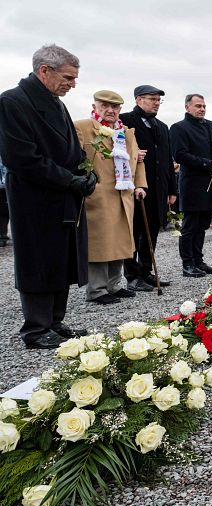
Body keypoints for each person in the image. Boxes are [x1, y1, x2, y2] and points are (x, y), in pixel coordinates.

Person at [0, 44, 96, 348]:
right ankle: (36, 328)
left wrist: (86, 172)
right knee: (39, 259)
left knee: (60, 256)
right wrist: (71, 181)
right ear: (45, 71)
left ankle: (55, 321)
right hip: (35, 198)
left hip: (64, 194)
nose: (72, 84)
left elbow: (71, 146)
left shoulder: (55, 101)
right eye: (68, 77)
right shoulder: (12, 102)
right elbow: (22, 158)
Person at [75, 90, 147, 305]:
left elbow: (138, 160)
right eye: (104, 105)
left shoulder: (126, 132)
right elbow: (72, 157)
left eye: (114, 107)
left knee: (121, 241)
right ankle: (96, 289)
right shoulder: (82, 127)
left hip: (123, 194)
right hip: (98, 195)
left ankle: (114, 285)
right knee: (101, 243)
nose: (110, 110)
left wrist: (140, 185)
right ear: (95, 106)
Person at [119, 85, 177, 291]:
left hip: (158, 188)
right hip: (135, 187)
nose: (156, 103)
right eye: (152, 99)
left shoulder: (162, 126)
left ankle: (145, 271)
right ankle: (132, 275)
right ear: (138, 99)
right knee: (134, 232)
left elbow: (167, 160)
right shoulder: (125, 121)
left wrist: (172, 190)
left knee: (151, 231)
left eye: (159, 100)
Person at [169, 93, 212, 277]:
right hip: (192, 185)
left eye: (204, 106)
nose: (201, 109)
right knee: (190, 226)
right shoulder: (179, 128)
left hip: (209, 185)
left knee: (202, 225)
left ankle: (198, 261)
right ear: (187, 107)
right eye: (198, 106)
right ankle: (188, 264)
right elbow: (180, 155)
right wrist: (207, 164)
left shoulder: (209, 127)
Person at [0, 156, 9, 247]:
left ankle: (2, 235)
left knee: (4, 213)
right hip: (3, 187)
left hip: (7, 186)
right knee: (2, 213)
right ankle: (2, 235)